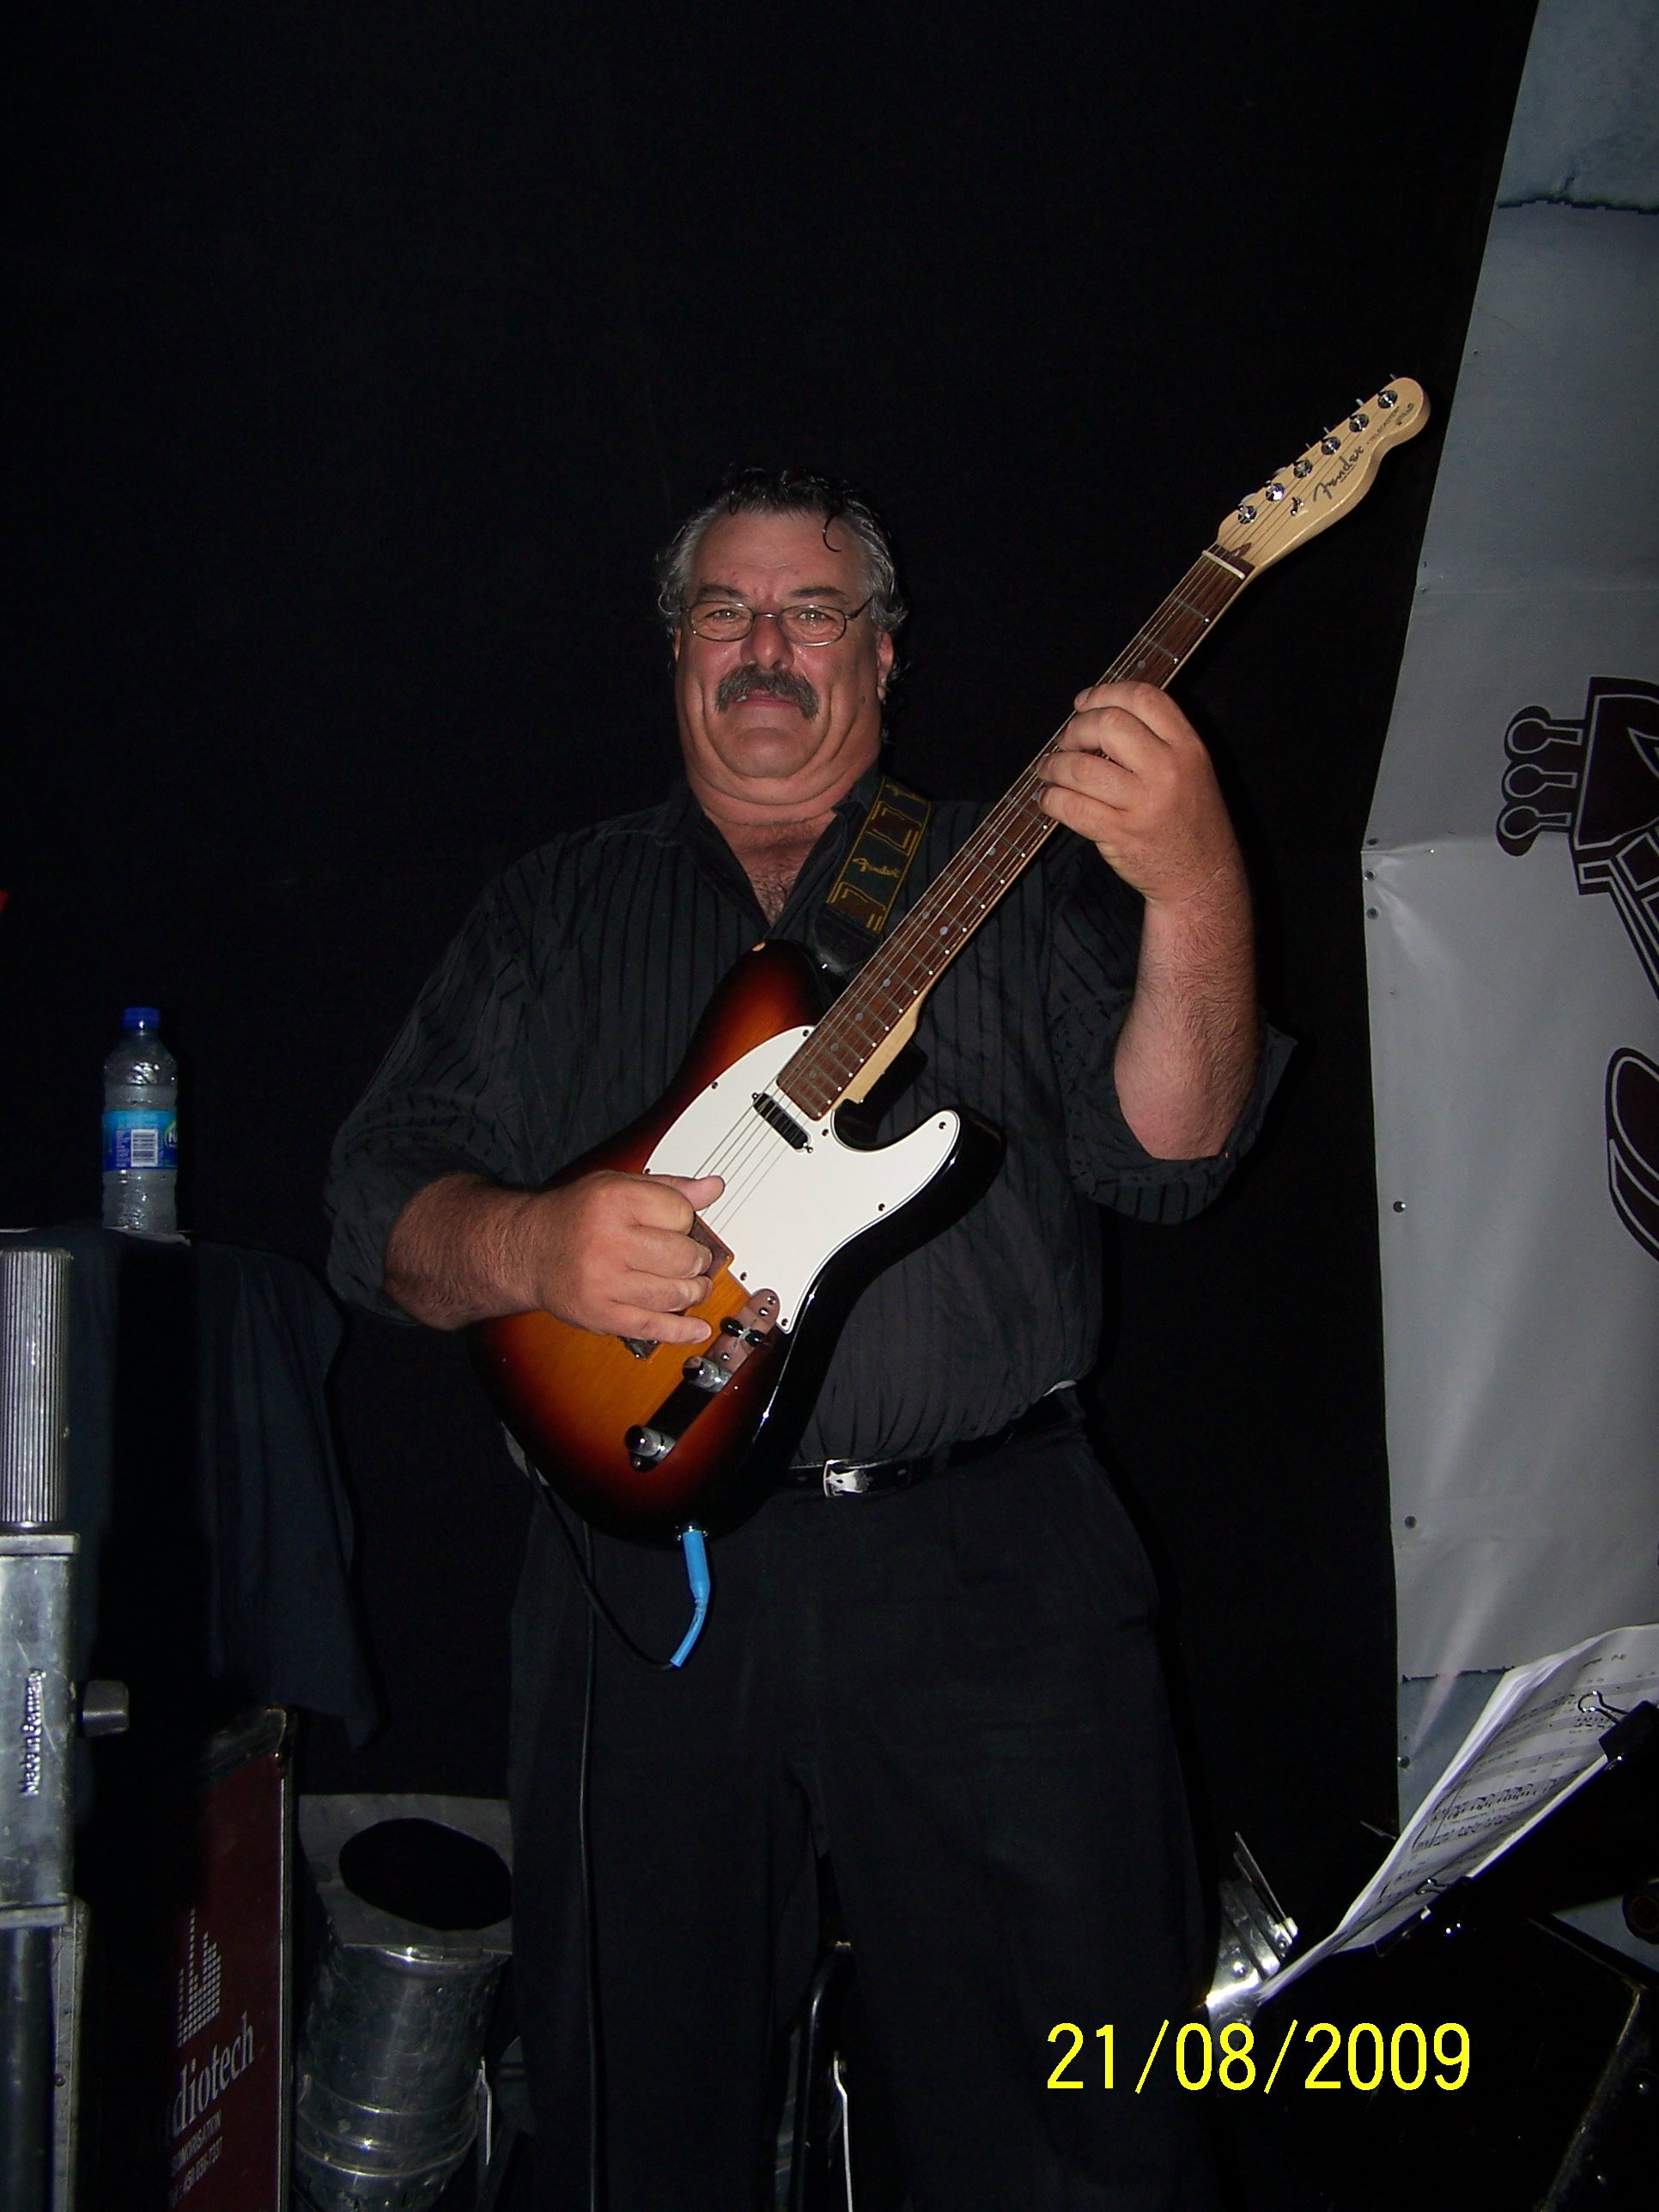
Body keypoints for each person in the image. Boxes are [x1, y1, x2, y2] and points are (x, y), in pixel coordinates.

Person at [327, 471, 1287, 2209]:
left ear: (884, 655)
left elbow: (1178, 1152)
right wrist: (528, 1241)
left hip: (994, 1571)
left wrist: (1196, 876)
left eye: (813, 612)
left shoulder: (1015, 869)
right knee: (636, 2121)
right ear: (676, 651)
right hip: (640, 1582)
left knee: (1082, 2114)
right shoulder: (554, 908)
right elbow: (372, 1205)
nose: (766, 647)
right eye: (726, 611)